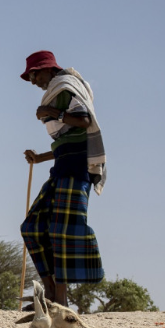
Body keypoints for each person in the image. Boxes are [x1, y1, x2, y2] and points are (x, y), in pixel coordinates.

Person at [19, 50, 106, 307]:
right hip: (62, 168)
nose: (33, 81)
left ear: (48, 69)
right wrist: (40, 157)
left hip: (77, 171)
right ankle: (48, 292)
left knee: (61, 232)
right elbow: (67, 143)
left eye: (35, 74)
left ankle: (60, 299)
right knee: (32, 227)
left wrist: (51, 112)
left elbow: (84, 120)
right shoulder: (58, 91)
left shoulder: (65, 88)